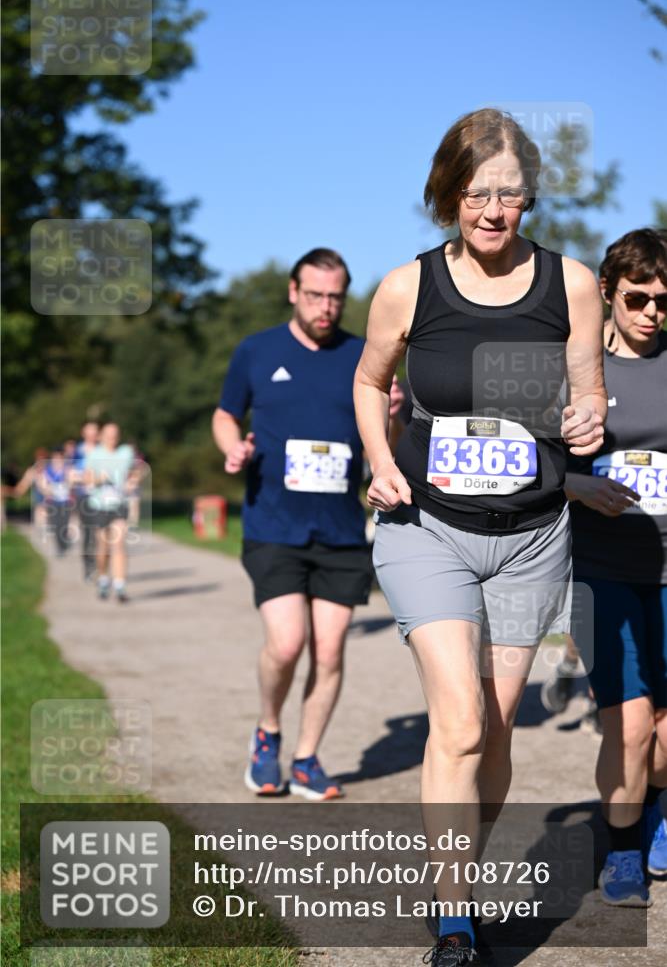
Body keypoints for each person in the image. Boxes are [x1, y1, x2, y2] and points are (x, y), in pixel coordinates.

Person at [353, 108, 606, 965]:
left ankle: (449, 867)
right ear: (448, 195)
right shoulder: (406, 287)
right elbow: (366, 380)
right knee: (458, 723)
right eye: (477, 193)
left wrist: (586, 419)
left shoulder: (569, 284)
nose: (495, 211)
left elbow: (587, 403)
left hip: (532, 538)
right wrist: (381, 458)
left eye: (511, 194)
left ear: (529, 198)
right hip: (426, 527)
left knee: (493, 732)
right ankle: (454, 916)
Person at [213, 248, 401, 801]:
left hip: (341, 529)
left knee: (331, 649)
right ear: (293, 292)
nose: (326, 307)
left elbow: (381, 456)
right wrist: (233, 448)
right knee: (288, 642)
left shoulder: (364, 357)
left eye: (336, 297)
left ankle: (306, 758)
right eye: (315, 295)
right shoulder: (256, 350)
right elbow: (226, 413)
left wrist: (391, 420)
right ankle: (268, 734)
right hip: (273, 524)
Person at [565, 228, 667, 907]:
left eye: (664, 301)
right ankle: (623, 848)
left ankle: (657, 811)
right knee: (629, 725)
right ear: (607, 291)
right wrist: (578, 486)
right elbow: (538, 465)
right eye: (637, 298)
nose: (651, 313)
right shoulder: (575, 369)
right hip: (599, 568)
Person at [85, 422, 138, 604]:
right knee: (103, 547)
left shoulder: (126, 453)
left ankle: (120, 585)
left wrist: (132, 481)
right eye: (109, 434)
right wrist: (101, 478)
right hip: (99, 505)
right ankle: (103, 579)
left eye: (115, 434)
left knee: (119, 544)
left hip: (119, 504)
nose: (112, 437)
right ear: (102, 436)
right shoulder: (94, 454)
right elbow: (87, 477)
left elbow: (134, 472)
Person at [70, 421, 100, 581]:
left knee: (102, 533)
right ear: (83, 433)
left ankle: (101, 566)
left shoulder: (104, 450)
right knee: (89, 532)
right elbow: (72, 474)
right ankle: (89, 566)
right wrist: (83, 478)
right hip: (84, 496)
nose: (93, 433)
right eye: (90, 431)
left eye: (96, 431)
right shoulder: (78, 452)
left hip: (102, 496)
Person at [39, 447, 73, 557]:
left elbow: (71, 483)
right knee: (55, 525)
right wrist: (47, 490)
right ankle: (60, 548)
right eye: (55, 458)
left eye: (60, 458)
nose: (57, 460)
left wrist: (67, 482)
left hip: (65, 502)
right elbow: (42, 485)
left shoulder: (67, 470)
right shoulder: (47, 471)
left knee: (63, 525)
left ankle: (64, 543)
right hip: (52, 501)